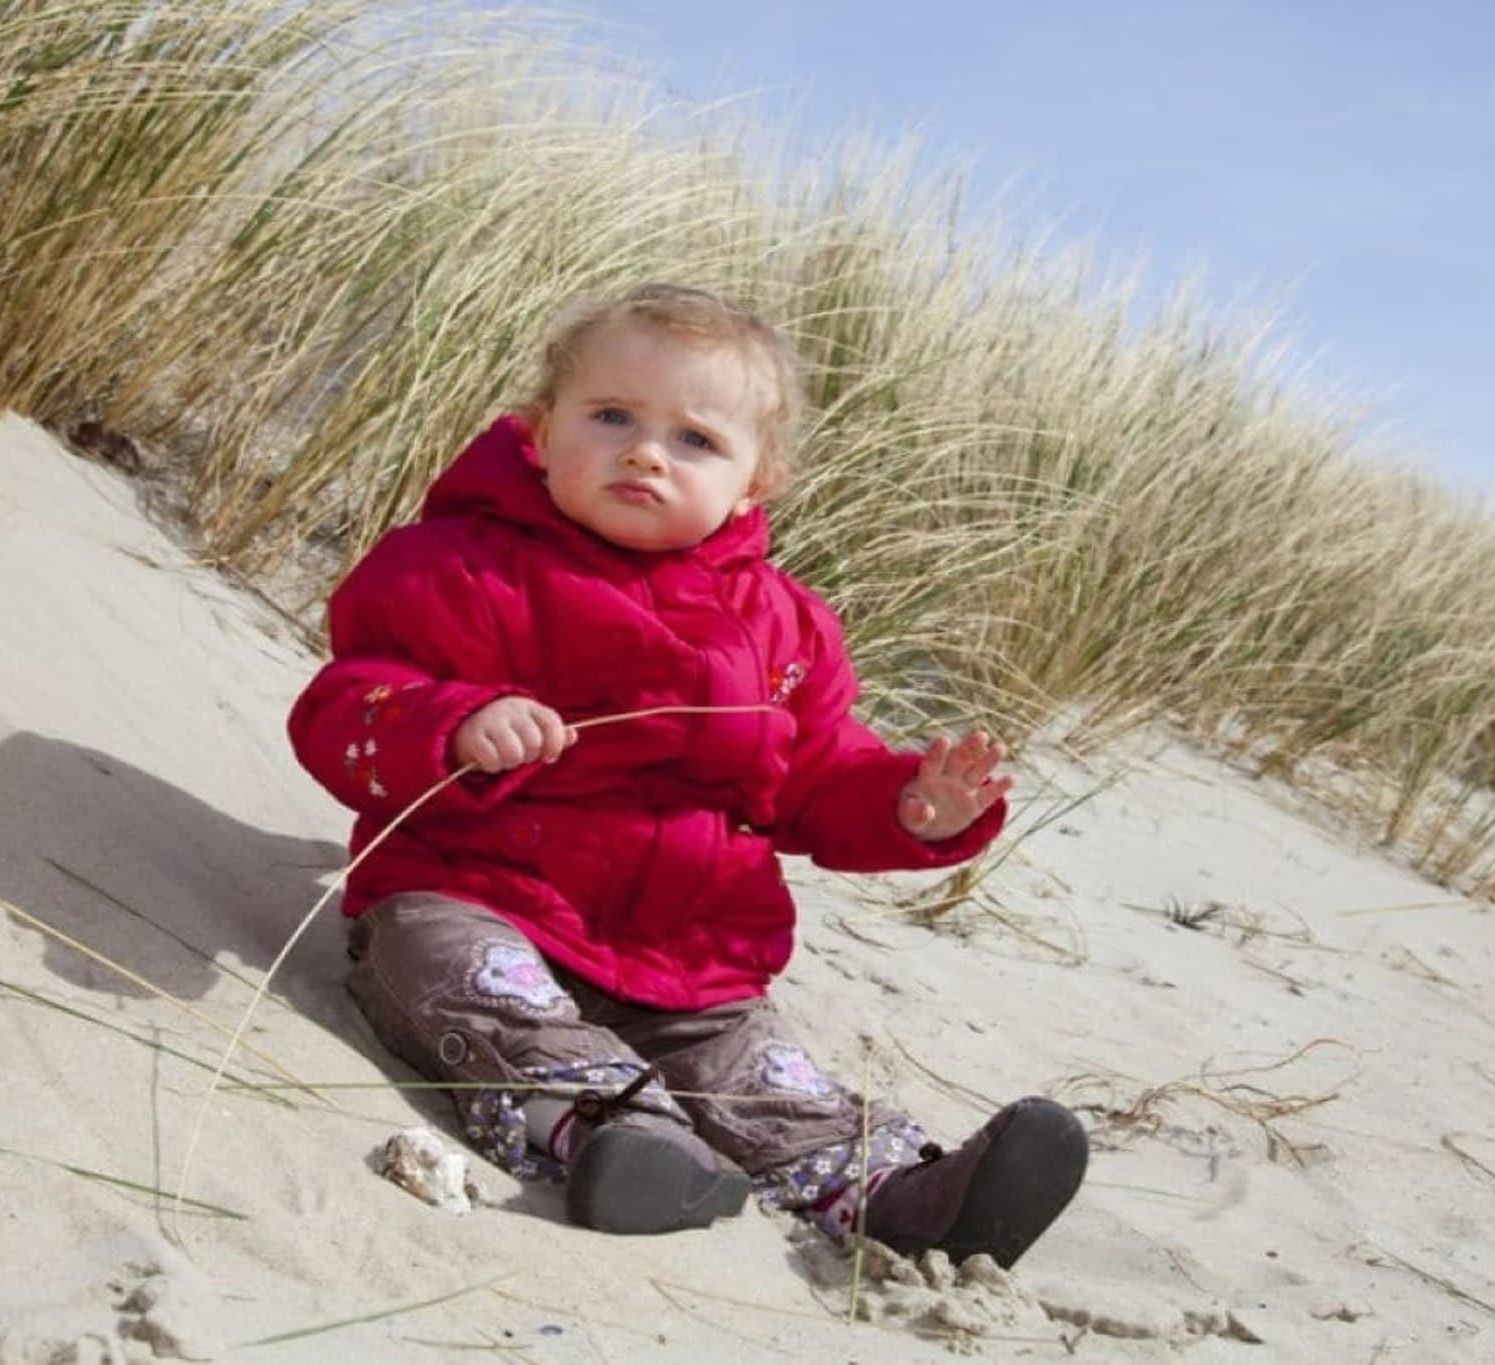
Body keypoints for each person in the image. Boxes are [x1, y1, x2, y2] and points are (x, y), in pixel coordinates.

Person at [289, 283, 1087, 1267]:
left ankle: (896, 1195)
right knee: (461, 979)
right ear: (539, 432)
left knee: (762, 1079)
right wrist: (449, 725)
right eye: (611, 417)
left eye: (695, 439)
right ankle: (612, 1136)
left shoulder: (783, 628)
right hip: (480, 897)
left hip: (688, 959)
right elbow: (346, 703)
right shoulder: (456, 566)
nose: (645, 453)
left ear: (756, 482)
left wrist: (909, 806)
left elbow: (815, 773)